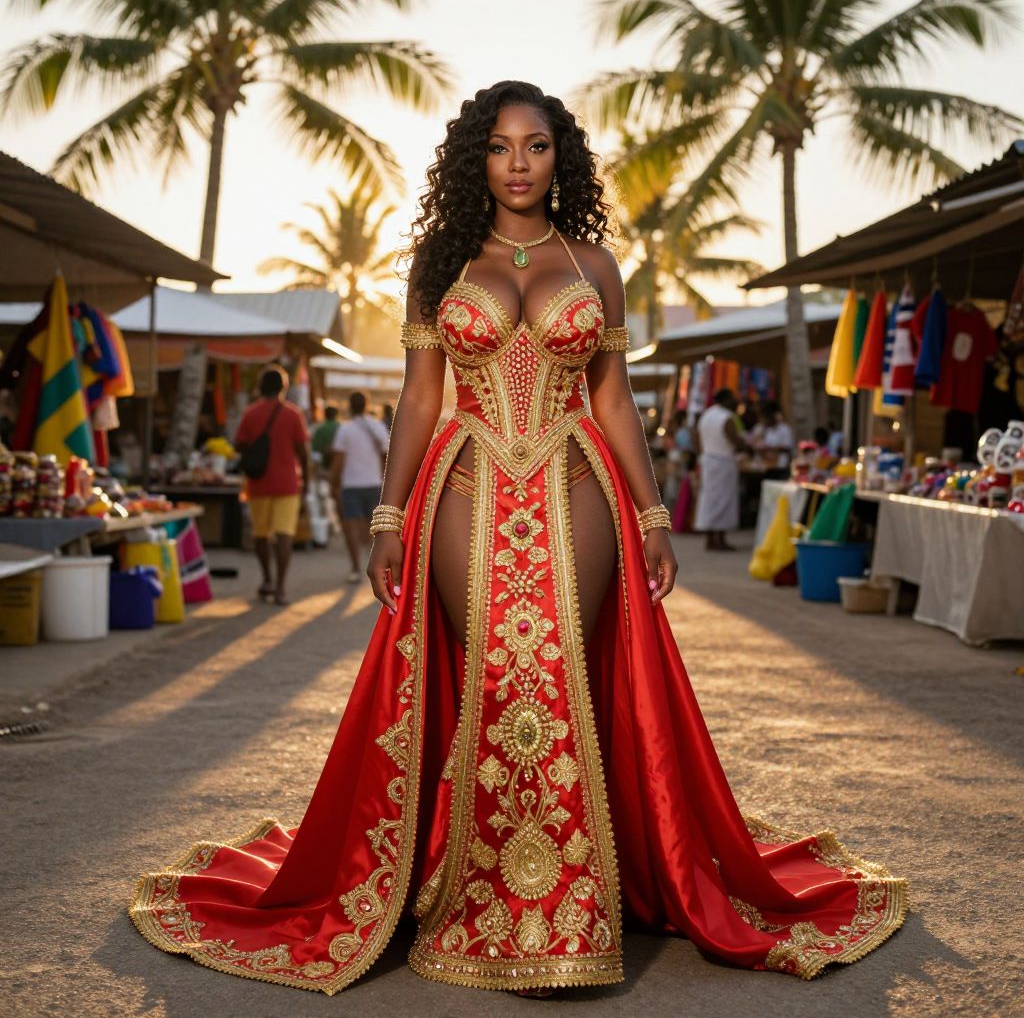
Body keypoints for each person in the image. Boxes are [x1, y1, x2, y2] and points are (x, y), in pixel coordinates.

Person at [130, 81, 906, 997]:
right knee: (497, 669)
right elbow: (421, 395)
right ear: (477, 160)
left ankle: (566, 908)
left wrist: (654, 515)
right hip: (466, 479)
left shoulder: (595, 265)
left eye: (535, 146)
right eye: (500, 148)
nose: (519, 164)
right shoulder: (442, 260)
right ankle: (484, 897)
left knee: (562, 664)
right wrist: (388, 517)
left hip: (579, 477)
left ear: (558, 156)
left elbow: (612, 396)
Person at [233, 365, 309, 605]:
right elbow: (303, 451)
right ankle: (280, 587)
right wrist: (306, 478)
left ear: (260, 387)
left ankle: (266, 579)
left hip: (258, 482)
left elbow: (239, 445)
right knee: (284, 534)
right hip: (288, 482)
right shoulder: (293, 414)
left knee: (260, 534)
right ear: (284, 387)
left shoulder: (250, 413)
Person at [330, 391, 390, 583]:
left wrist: (334, 483)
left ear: (349, 406)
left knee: (352, 529)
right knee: (373, 530)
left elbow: (338, 461)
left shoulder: (345, 429)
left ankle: (356, 568)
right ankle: (377, 568)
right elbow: (386, 455)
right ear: (367, 405)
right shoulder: (377, 426)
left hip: (351, 485)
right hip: (374, 483)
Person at [694, 388, 745, 551]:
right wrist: (747, 446)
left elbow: (696, 437)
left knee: (709, 500)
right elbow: (734, 439)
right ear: (725, 400)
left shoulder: (706, 415)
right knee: (724, 501)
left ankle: (710, 539)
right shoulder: (727, 417)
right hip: (723, 462)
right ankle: (720, 539)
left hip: (708, 460)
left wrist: (702, 455)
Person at [750, 400, 794, 479]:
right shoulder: (759, 428)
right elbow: (755, 446)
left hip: (780, 469)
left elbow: (788, 446)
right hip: (762, 469)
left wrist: (770, 448)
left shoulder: (784, 428)